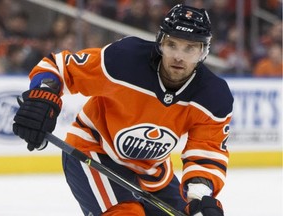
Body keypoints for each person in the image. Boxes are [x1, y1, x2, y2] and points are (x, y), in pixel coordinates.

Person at [13, 4, 233, 216]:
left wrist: (200, 196)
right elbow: (58, 68)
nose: (179, 56)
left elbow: (207, 151)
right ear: (160, 43)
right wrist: (42, 98)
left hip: (151, 169)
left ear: (203, 52)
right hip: (94, 150)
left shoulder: (213, 96)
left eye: (190, 49)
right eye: (172, 44)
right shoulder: (124, 60)